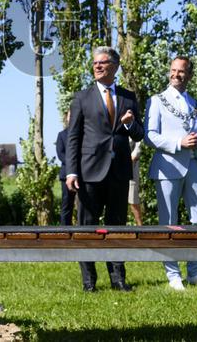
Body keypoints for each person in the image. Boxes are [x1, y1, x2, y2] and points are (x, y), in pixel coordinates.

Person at [65, 46, 144, 292]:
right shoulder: (82, 98)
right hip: (89, 171)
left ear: (115, 66)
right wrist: (71, 171)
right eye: (95, 63)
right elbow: (73, 138)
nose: (97, 66)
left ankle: (118, 278)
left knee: (117, 226)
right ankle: (89, 281)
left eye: (103, 62)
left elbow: (140, 134)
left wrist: (130, 124)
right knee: (87, 227)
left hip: (119, 170)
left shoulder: (128, 97)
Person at [145, 56, 197, 291]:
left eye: (181, 71)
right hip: (167, 165)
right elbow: (150, 135)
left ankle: (195, 273)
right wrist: (179, 143)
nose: (176, 74)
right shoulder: (157, 100)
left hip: (194, 164)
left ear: (190, 75)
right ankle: (173, 275)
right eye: (173, 70)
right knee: (169, 222)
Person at [56, 123, 73, 225]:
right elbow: (60, 154)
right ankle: (65, 229)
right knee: (66, 204)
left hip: (83, 175)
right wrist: (72, 163)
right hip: (66, 174)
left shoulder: (84, 133)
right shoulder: (61, 135)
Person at [127, 139, 143, 226]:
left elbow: (138, 143)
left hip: (131, 163)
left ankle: (140, 228)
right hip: (109, 163)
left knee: (133, 197)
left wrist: (134, 156)